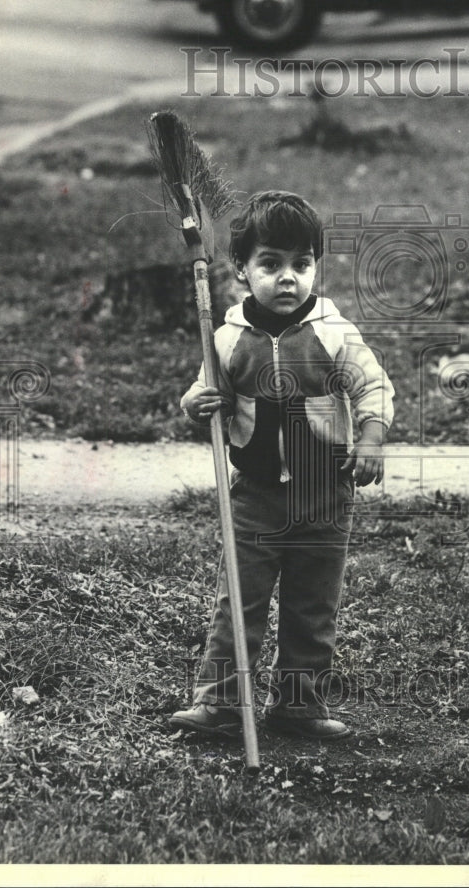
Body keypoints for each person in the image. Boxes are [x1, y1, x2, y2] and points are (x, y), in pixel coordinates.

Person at [169, 190, 394, 740]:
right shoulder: (227, 338)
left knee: (312, 603)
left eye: (302, 264)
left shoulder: (333, 333)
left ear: (317, 266)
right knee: (239, 602)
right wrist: (196, 403)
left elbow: (372, 386)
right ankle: (220, 703)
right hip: (256, 494)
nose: (288, 278)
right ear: (243, 271)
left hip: (324, 493)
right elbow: (206, 391)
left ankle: (298, 704)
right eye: (271, 264)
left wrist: (370, 438)